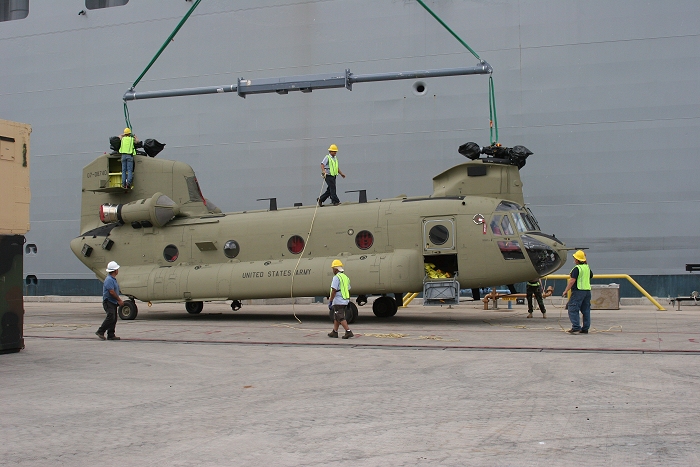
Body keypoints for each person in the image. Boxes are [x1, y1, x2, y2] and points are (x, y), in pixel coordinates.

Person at [562, 250, 593, 334]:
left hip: (578, 291)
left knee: (572, 308)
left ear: (577, 259)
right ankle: (585, 328)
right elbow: (591, 276)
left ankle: (576, 327)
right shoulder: (587, 267)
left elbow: (572, 281)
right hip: (587, 292)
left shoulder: (577, 269)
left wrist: (566, 290)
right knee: (586, 310)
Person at [96, 261, 124, 340]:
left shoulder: (113, 279)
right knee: (111, 316)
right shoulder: (109, 280)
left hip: (112, 301)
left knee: (114, 318)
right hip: (108, 301)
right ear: (115, 271)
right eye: (117, 269)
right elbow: (111, 291)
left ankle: (111, 334)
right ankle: (100, 331)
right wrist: (119, 300)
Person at [327, 259, 354, 339]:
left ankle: (348, 331)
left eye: (333, 269)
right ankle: (334, 332)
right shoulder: (346, 277)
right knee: (336, 316)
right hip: (345, 300)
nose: (332, 270)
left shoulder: (336, 277)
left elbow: (334, 290)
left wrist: (331, 301)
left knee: (340, 317)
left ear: (336, 269)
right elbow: (347, 289)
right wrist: (348, 300)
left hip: (338, 300)